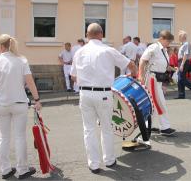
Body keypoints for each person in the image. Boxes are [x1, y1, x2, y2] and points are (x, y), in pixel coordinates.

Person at [71, 23, 136, 174]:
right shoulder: (108, 50)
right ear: (101, 34)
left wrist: (85, 81)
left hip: (85, 94)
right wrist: (132, 75)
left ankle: (93, 164)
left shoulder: (79, 52)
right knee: (106, 128)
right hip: (104, 94)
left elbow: (73, 76)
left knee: (89, 129)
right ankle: (109, 160)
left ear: (87, 35)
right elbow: (130, 64)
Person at [0, 34, 42, 179]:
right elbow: (30, 82)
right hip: (19, 103)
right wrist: (37, 99)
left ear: (1, 46)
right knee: (20, 137)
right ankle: (22, 169)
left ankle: (5, 170)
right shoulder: (22, 60)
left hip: (0, 104)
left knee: (3, 137)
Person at [139, 30, 176, 135]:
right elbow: (143, 60)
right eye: (168, 41)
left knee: (153, 104)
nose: (169, 44)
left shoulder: (163, 50)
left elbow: (164, 65)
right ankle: (164, 127)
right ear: (162, 39)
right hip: (153, 78)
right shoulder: (154, 47)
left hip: (158, 79)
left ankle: (148, 126)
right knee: (160, 102)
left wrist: (174, 69)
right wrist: (140, 75)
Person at [176, 30, 191, 99]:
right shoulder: (183, 44)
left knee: (181, 78)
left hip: (184, 61)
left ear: (183, 37)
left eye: (179, 36)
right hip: (181, 61)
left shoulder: (186, 44)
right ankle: (181, 94)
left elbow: (186, 54)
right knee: (180, 79)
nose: (178, 38)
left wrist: (182, 64)